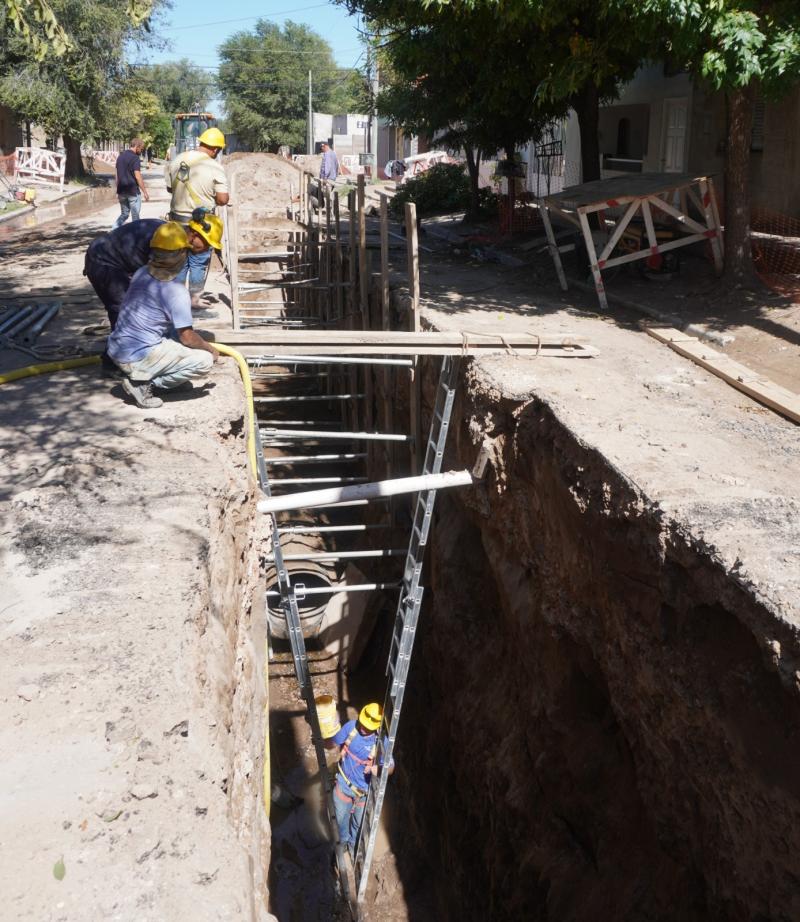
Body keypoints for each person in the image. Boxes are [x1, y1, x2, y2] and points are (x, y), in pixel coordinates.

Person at [106, 222, 221, 410]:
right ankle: (144, 385)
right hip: (137, 356)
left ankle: (158, 377)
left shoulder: (141, 272)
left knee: (172, 335)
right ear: (182, 254)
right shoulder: (176, 291)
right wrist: (210, 349)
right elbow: (188, 337)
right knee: (203, 361)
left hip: (117, 348)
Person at [84, 210, 224, 331]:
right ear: (194, 234)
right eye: (207, 244)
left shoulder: (177, 238)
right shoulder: (169, 240)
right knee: (122, 310)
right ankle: (117, 355)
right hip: (103, 260)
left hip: (120, 261)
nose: (207, 249)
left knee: (136, 310)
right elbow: (156, 281)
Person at [166, 126, 229, 304]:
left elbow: (170, 188)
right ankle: (194, 299)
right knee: (198, 261)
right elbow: (223, 199)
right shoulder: (214, 166)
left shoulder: (177, 160)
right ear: (215, 149)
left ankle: (177, 299)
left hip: (176, 221)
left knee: (180, 260)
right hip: (200, 224)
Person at [326, 703, 393, 855]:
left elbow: (391, 767)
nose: (363, 727)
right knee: (340, 818)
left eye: (368, 726)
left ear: (377, 726)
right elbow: (332, 743)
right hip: (344, 784)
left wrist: (379, 769)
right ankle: (342, 843)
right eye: (363, 723)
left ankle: (352, 846)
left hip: (363, 791)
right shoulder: (351, 728)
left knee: (358, 824)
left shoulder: (382, 741)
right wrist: (324, 733)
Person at [113, 138, 149, 229]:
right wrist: (145, 192)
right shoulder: (135, 158)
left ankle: (113, 231)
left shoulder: (120, 157)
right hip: (133, 192)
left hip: (121, 191)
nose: (141, 151)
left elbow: (117, 175)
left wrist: (118, 189)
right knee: (135, 218)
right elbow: (137, 176)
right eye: (141, 149)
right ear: (137, 146)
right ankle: (136, 238)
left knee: (124, 214)